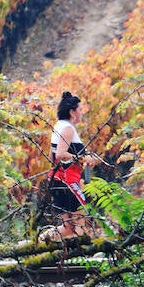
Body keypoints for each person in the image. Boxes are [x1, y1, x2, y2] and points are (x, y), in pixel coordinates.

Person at [43, 91, 97, 241]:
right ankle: (83, 254)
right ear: (72, 112)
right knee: (81, 225)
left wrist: (81, 160)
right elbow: (60, 154)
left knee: (68, 229)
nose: (81, 113)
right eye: (79, 110)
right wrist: (82, 157)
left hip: (57, 181)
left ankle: (39, 242)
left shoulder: (58, 127)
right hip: (67, 182)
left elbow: (51, 156)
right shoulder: (68, 129)